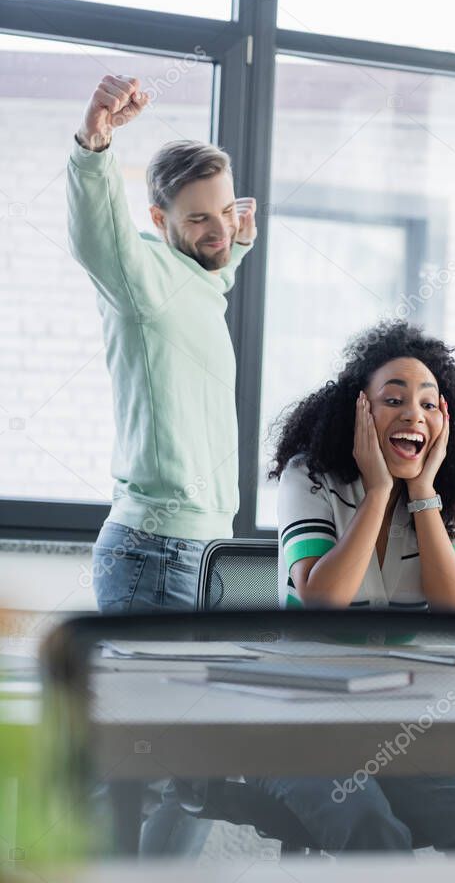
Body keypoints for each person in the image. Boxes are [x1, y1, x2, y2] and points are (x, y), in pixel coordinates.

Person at [66, 73, 257, 856]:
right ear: (158, 220)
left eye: (226, 212)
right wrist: (95, 141)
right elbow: (95, 231)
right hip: (154, 555)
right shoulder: (140, 274)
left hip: (208, 554)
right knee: (128, 778)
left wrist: (234, 241)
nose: (217, 231)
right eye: (198, 220)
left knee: (196, 777)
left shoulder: (201, 279)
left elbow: (217, 267)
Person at [245, 320, 455, 852]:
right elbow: (324, 600)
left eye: (429, 404)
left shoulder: (438, 500)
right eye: (393, 399)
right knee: (372, 832)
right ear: (360, 411)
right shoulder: (311, 477)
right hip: (292, 725)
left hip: (392, 728)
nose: (413, 412)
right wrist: (376, 492)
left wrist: (421, 492)